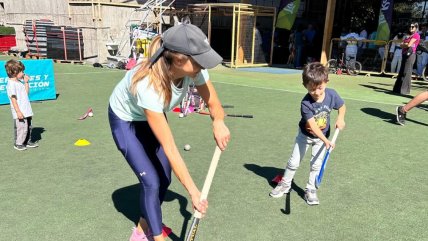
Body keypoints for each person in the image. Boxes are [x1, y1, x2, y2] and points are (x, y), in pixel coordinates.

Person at [108, 23, 230, 241]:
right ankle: (152, 237)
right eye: (200, 59)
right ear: (180, 60)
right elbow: (171, 148)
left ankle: (144, 225)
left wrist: (218, 121)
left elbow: (214, 104)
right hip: (125, 121)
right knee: (152, 182)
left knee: (164, 178)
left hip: (151, 114)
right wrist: (194, 192)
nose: (204, 65)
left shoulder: (195, 69)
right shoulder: (148, 85)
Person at [269, 62, 346, 205]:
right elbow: (313, 127)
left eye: (320, 89)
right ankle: (285, 184)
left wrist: (340, 118)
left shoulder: (332, 95)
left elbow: (341, 106)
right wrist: (326, 141)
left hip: (322, 139)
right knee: (293, 162)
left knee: (316, 165)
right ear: (305, 86)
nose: (316, 93)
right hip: (305, 136)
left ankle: (310, 190)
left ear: (326, 82)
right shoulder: (306, 104)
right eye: (312, 90)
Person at [5, 59, 39, 151]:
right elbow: (13, 99)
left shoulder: (19, 83)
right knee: (21, 128)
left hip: (26, 110)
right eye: (22, 71)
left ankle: (27, 141)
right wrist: (18, 112)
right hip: (20, 111)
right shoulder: (11, 84)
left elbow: (26, 94)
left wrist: (26, 83)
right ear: (15, 72)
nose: (23, 73)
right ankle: (18, 143)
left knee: (28, 127)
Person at [393, 23, 421, 95]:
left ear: (416, 28)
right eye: (410, 26)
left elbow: (408, 45)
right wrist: (405, 44)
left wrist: (405, 44)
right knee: (401, 71)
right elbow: (401, 45)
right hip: (404, 54)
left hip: (411, 55)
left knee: (407, 72)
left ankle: (405, 91)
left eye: (412, 27)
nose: (410, 28)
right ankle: (397, 89)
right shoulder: (407, 36)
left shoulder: (416, 35)